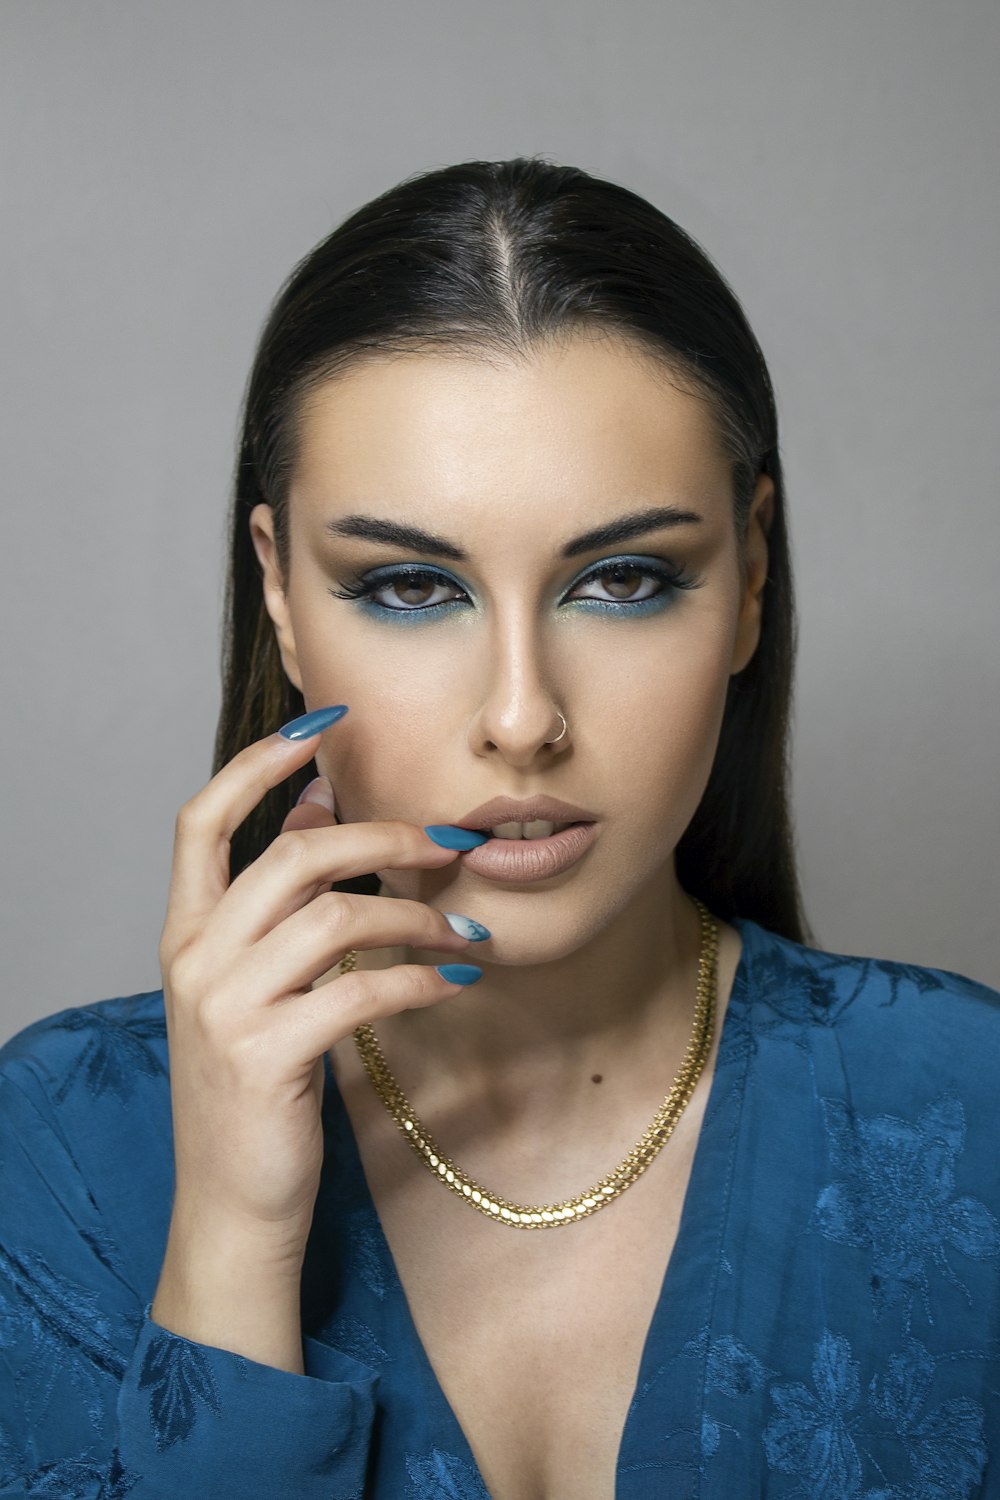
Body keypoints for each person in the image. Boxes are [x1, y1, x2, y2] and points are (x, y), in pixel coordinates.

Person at [1, 156, 997, 1500]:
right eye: (411, 586)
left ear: (751, 580)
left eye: (626, 579)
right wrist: (232, 1241)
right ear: (282, 597)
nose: (523, 718)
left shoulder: (967, 1107)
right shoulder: (56, 1146)